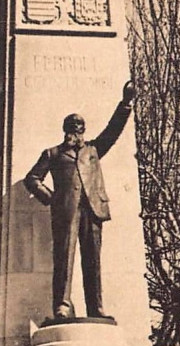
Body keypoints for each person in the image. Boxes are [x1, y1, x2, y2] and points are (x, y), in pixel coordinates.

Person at [23, 81, 136, 319]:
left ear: (84, 130)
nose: (75, 132)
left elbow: (112, 130)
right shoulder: (52, 154)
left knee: (93, 262)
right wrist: (52, 199)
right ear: (65, 130)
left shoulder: (94, 150)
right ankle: (62, 306)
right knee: (64, 259)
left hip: (92, 210)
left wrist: (125, 104)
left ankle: (96, 307)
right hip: (65, 211)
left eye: (79, 128)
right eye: (71, 128)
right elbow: (32, 178)